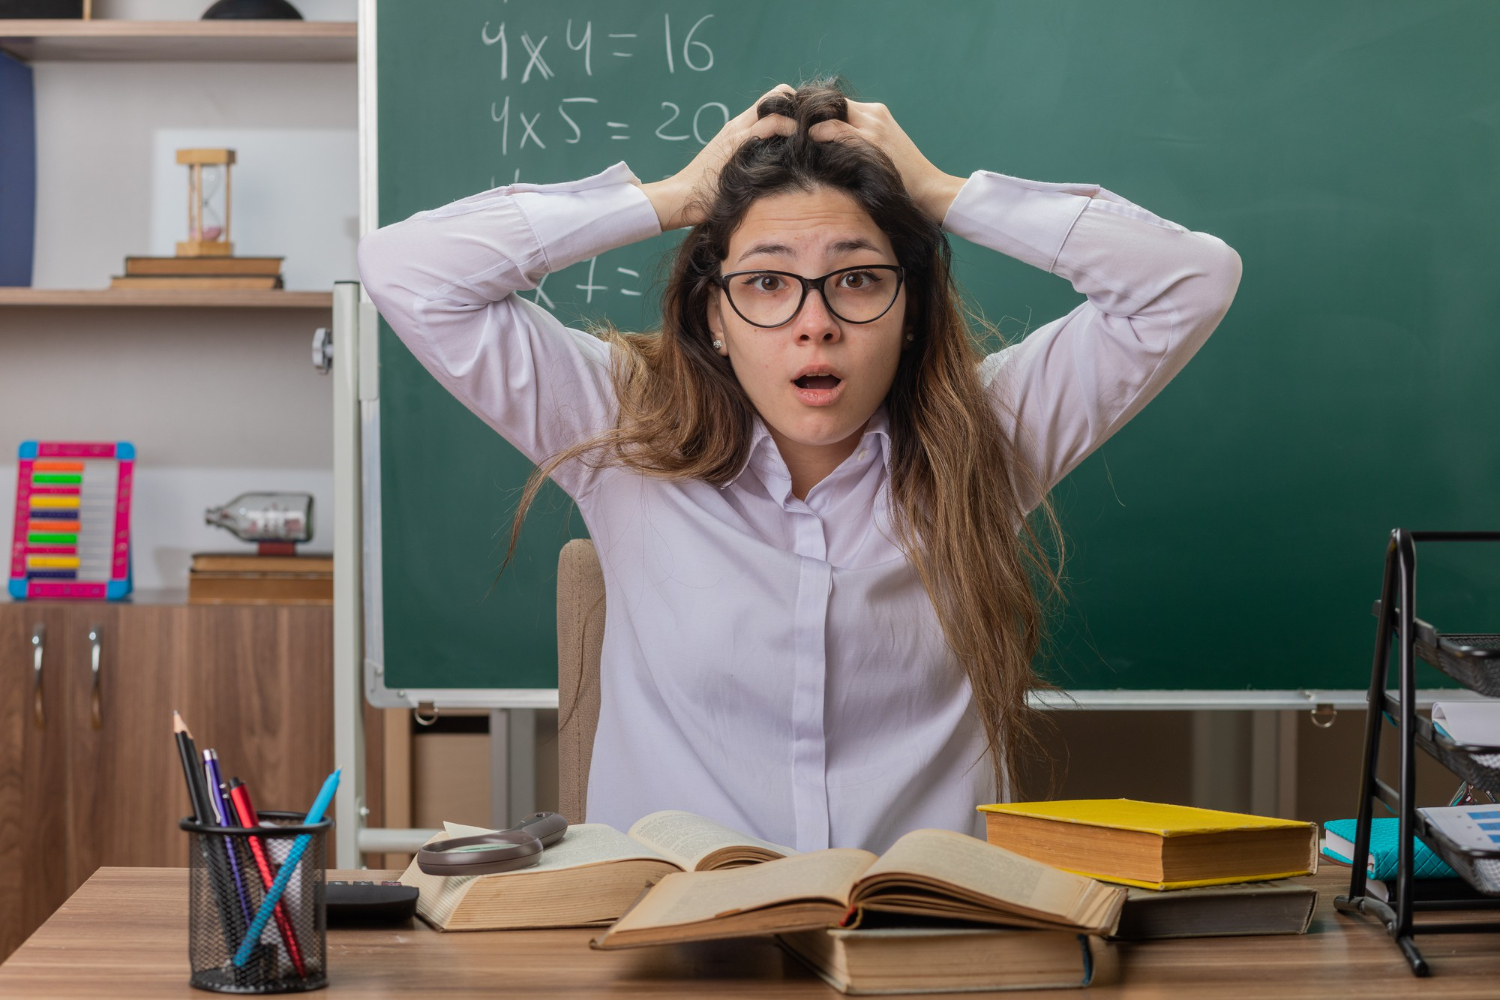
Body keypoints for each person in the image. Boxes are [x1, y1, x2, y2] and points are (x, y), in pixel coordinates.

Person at [357, 81, 1241, 854]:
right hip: (684, 950)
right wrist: (671, 198)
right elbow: (407, 270)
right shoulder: (627, 429)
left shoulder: (986, 437)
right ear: (714, 316)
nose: (813, 322)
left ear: (909, 312)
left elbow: (1189, 281)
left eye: (856, 280)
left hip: (918, 947)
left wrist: (939, 193)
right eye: (768, 282)